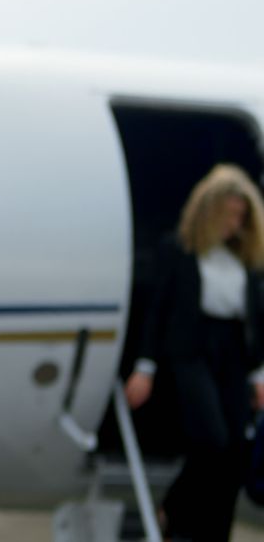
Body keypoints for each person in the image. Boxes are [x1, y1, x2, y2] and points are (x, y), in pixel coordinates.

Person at [125, 163, 264, 541]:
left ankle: (215, 533)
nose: (235, 223)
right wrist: (145, 367)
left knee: (234, 449)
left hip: (233, 350)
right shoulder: (180, 250)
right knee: (211, 439)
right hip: (191, 349)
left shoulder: (245, 259)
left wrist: (258, 375)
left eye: (241, 216)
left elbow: (256, 318)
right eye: (229, 214)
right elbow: (159, 311)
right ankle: (174, 511)